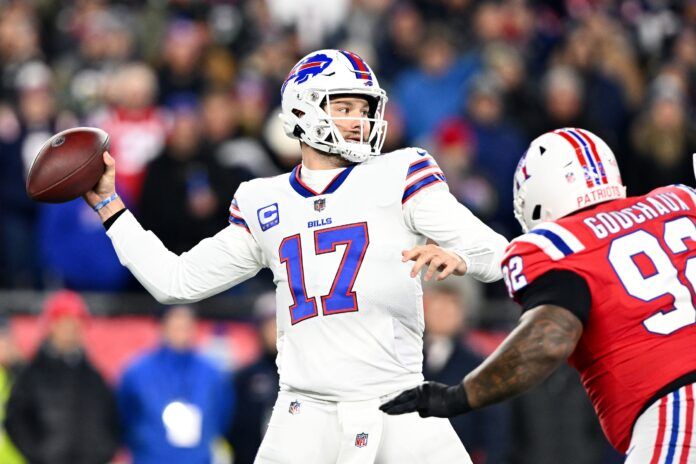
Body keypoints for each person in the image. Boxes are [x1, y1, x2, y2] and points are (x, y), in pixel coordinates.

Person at [85, 49, 509, 463]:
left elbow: (500, 255)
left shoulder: (401, 173)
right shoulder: (262, 199)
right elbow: (174, 281)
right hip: (305, 414)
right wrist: (109, 206)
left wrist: (465, 259)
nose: (359, 120)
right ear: (303, 111)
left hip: (397, 400)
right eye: (343, 106)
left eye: (364, 108)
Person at [381, 128, 696, 463]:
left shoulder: (554, 245)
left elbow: (549, 339)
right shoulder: (680, 200)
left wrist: (457, 397)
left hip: (678, 405)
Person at [5, 290, 119, 464]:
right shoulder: (31, 376)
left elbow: (112, 422)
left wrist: (102, 454)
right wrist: (40, 456)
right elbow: (15, 422)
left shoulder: (94, 377)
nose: (71, 330)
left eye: (76, 324)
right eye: (65, 323)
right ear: (51, 325)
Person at [117, 305, 233, 464]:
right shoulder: (137, 372)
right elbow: (124, 416)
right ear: (162, 327)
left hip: (199, 459)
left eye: (186, 324)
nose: (181, 331)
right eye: (175, 324)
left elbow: (223, 415)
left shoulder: (212, 373)